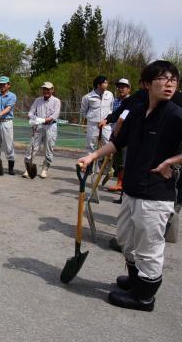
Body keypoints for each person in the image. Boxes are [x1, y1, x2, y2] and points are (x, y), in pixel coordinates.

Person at [78, 60, 182, 312]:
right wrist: (92, 156)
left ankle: (144, 297)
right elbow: (117, 143)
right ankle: (136, 280)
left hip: (156, 194)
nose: (169, 84)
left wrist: (173, 161)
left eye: (173, 80)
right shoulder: (136, 112)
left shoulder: (175, 115)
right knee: (125, 239)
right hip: (132, 190)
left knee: (149, 247)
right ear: (147, 84)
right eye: (162, 79)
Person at [23, 82, 61, 179]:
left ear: (52, 90)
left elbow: (54, 116)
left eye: (48, 89)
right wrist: (35, 119)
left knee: (49, 148)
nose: (46, 91)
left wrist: (44, 120)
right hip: (38, 126)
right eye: (44, 89)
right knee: (32, 147)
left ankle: (45, 169)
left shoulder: (56, 101)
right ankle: (28, 168)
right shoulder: (37, 100)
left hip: (50, 127)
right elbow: (30, 112)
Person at [105, 78, 132, 194]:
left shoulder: (132, 101)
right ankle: (120, 183)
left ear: (129, 88)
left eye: (123, 86)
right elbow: (115, 116)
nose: (121, 89)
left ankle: (125, 185)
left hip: (127, 135)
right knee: (119, 160)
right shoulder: (116, 101)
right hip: (116, 132)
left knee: (126, 161)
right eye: (119, 86)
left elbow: (123, 119)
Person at [80, 75, 114, 154]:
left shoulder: (110, 94)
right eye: (105, 83)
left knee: (107, 144)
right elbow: (83, 111)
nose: (107, 84)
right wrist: (92, 119)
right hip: (93, 125)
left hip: (106, 124)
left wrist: (107, 120)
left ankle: (101, 165)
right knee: (90, 146)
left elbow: (111, 109)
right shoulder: (87, 97)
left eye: (107, 82)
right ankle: (89, 166)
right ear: (99, 85)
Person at [0, 76, 17, 175]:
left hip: (6, 122)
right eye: (0, 84)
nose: (2, 86)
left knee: (8, 146)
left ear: (8, 85)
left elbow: (8, 108)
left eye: (4, 84)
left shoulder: (12, 96)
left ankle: (10, 168)